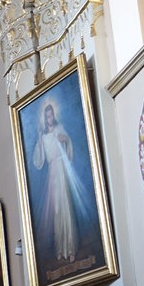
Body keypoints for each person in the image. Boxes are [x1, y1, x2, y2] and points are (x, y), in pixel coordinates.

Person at [31, 100, 82, 265]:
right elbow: (39, 161)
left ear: (54, 115)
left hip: (61, 168)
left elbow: (68, 142)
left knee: (66, 206)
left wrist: (65, 140)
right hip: (53, 171)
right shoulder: (44, 136)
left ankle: (71, 248)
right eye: (47, 117)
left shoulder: (59, 129)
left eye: (51, 115)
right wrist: (39, 141)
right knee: (57, 210)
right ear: (45, 119)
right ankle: (61, 249)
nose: (49, 118)